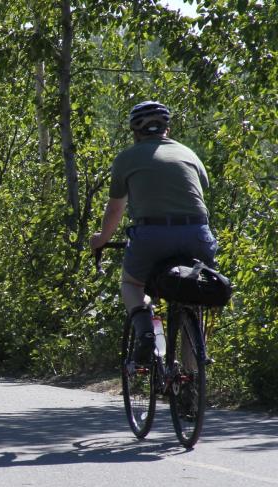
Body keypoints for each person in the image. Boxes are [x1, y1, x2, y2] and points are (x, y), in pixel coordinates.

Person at [90, 101, 217, 362]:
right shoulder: (189, 154)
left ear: (135, 132)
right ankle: (191, 376)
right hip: (197, 233)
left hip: (152, 235)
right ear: (166, 130)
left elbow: (115, 209)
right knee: (194, 291)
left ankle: (147, 334)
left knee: (131, 283)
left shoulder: (127, 158)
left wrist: (100, 239)